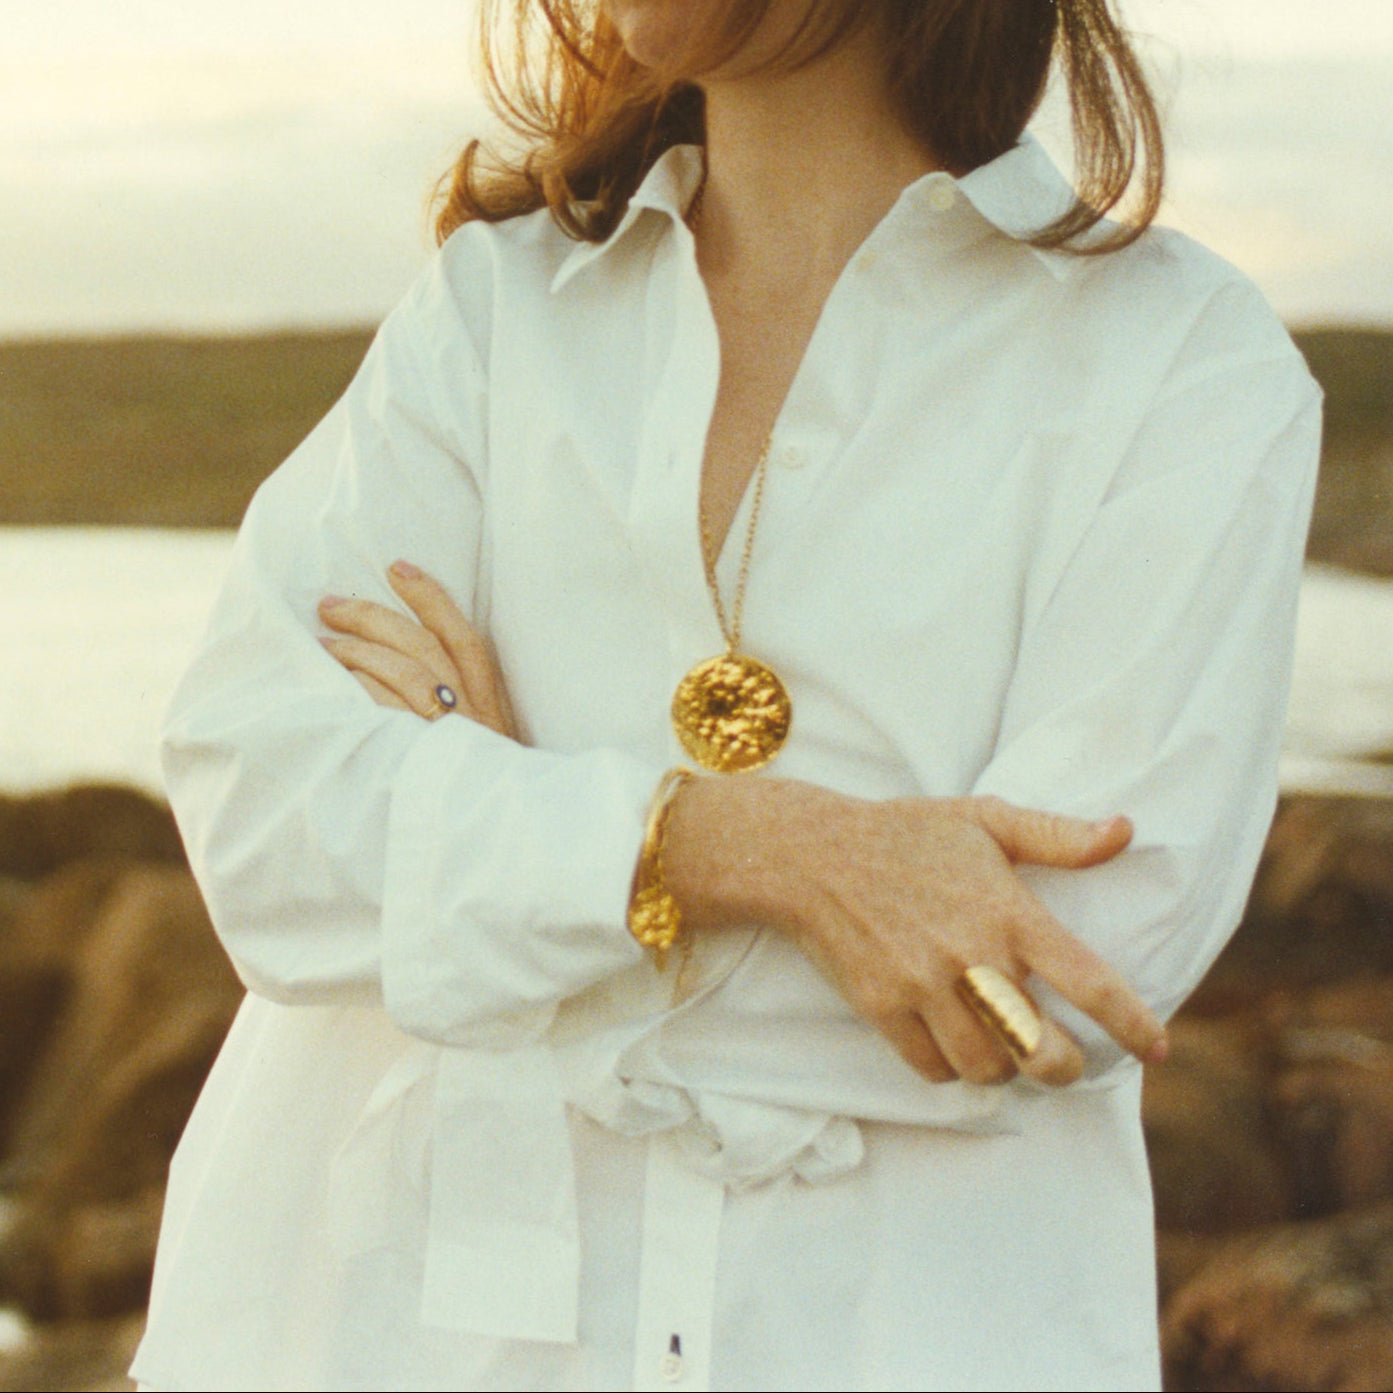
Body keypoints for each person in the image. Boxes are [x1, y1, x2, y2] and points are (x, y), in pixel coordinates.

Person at [131, 0, 1321, 1388]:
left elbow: (1060, 975)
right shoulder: (489, 313)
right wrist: (741, 847)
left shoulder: (1180, 364)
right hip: (378, 1329)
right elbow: (264, 826)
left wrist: (492, 817)